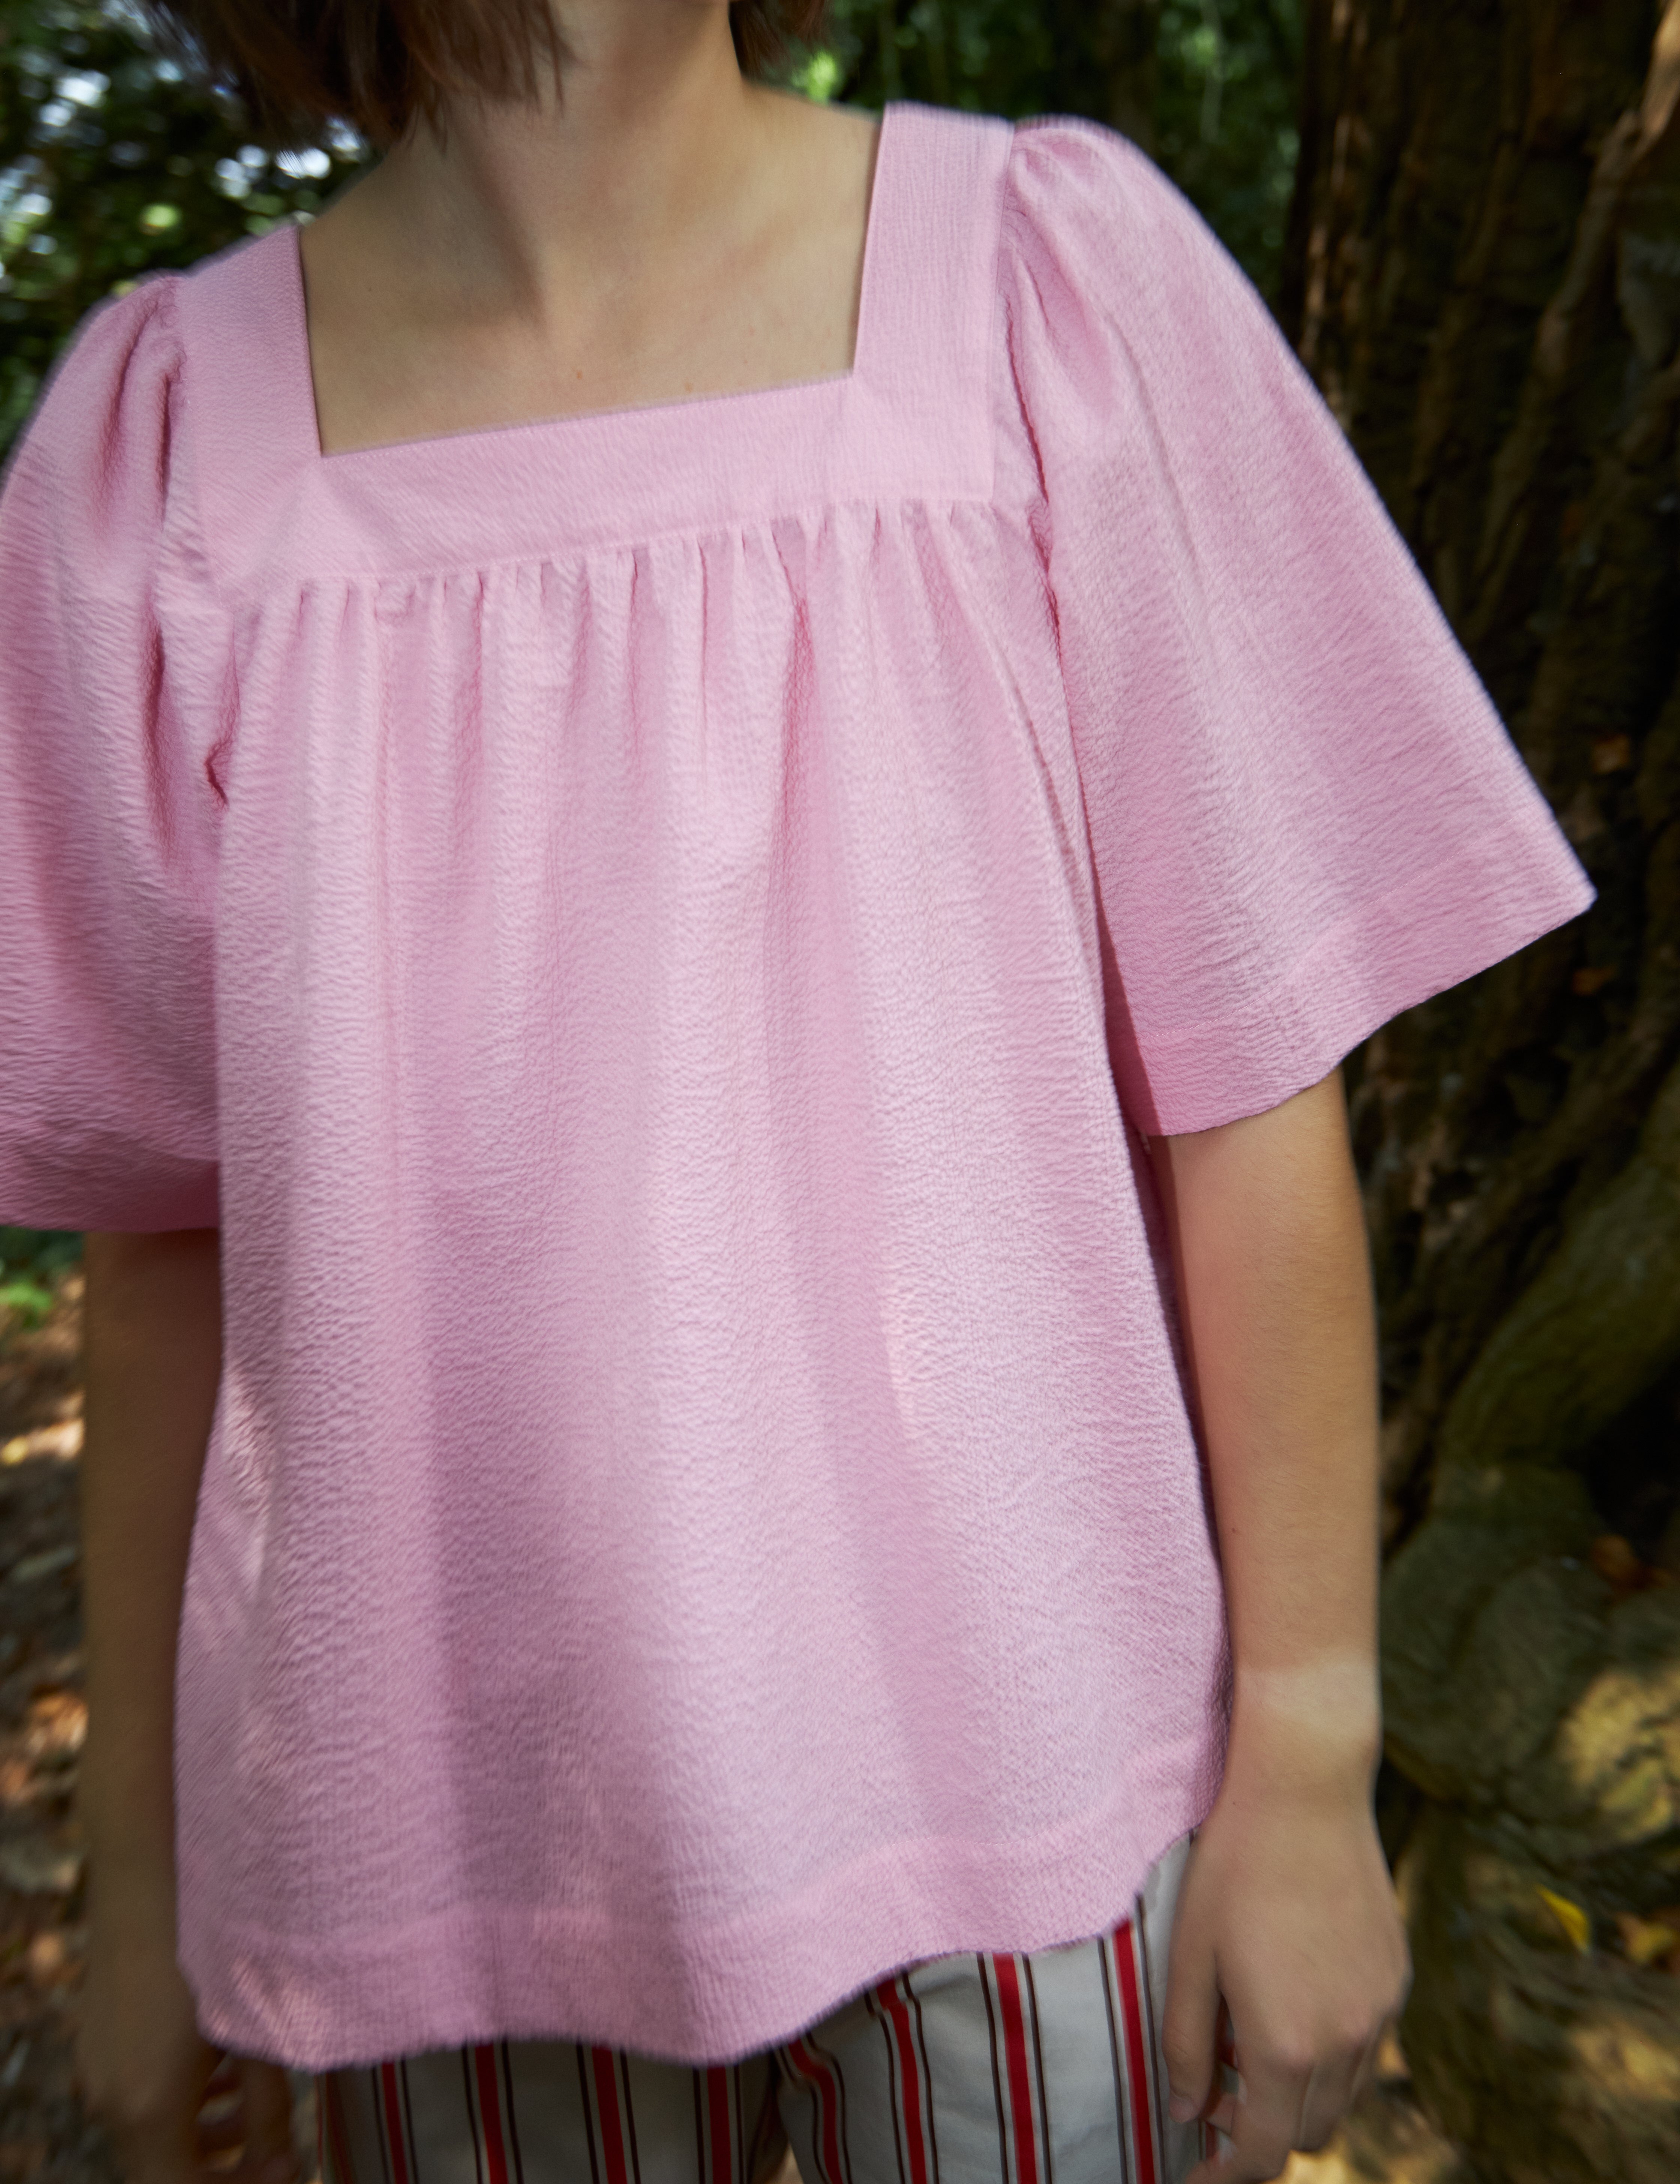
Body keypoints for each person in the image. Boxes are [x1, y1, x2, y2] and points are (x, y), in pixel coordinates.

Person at [0, 4, 1593, 2182]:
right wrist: (140, 1894)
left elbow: (1248, 1087)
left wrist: (1311, 1753)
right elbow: (162, 1225)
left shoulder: (1042, 302)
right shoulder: (165, 458)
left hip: (1014, 1847)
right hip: (437, 1885)